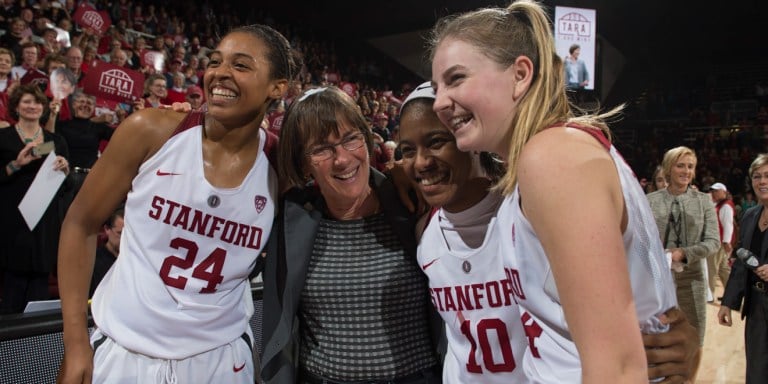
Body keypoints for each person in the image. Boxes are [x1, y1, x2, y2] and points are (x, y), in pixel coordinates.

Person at [428, 1, 678, 382]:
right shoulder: (550, 155)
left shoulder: (552, 158)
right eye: (436, 87)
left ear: (521, 74)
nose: (440, 102)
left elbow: (617, 367)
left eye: (456, 78)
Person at [401, 82, 698, 383]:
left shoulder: (531, 211)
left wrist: (673, 329)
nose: (421, 161)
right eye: (407, 150)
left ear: (468, 140)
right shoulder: (424, 233)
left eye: (437, 142)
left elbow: (628, 285)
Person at [56, 24, 300, 383]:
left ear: (277, 87)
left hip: (221, 358)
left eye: (241, 65)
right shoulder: (151, 130)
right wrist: (75, 341)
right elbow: (80, 223)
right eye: (215, 62)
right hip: (126, 351)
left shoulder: (282, 163)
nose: (219, 73)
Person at [261, 86, 441, 384]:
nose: (342, 159)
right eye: (321, 149)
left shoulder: (412, 203)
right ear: (304, 163)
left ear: (367, 139)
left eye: (350, 139)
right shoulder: (289, 220)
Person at [647, 146, 720, 380]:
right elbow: (640, 241)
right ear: (669, 168)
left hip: (692, 280)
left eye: (690, 166)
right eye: (680, 165)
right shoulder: (650, 201)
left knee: (694, 336)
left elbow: (713, 242)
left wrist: (684, 253)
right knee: (658, 335)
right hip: (657, 281)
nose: (686, 171)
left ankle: (690, 380)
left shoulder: (704, 201)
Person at [0, 84, 70, 314]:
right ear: (16, 107)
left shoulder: (56, 141)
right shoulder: (4, 138)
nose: (33, 106)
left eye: (38, 102)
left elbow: (65, 188)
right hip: (12, 222)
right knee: (11, 292)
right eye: (27, 102)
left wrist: (65, 170)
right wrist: (15, 165)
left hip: (44, 224)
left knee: (38, 292)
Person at [718, 153, 768, 384]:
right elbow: (740, 262)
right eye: (757, 176)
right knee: (756, 371)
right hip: (757, 303)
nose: (762, 181)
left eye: (767, 176)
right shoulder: (749, 216)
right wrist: (728, 302)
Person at [88, 208, 123, 297]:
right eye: (120, 233)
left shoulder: (136, 260)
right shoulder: (93, 262)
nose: (124, 239)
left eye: (128, 234)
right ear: (107, 229)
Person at [708, 182, 734, 299]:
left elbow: (728, 225)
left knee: (712, 268)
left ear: (724, 192)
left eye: (716, 191)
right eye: (713, 191)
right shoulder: (719, 204)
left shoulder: (725, 206)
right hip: (719, 241)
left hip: (718, 242)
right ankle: (732, 295)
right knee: (724, 270)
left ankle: (710, 295)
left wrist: (726, 242)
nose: (714, 193)